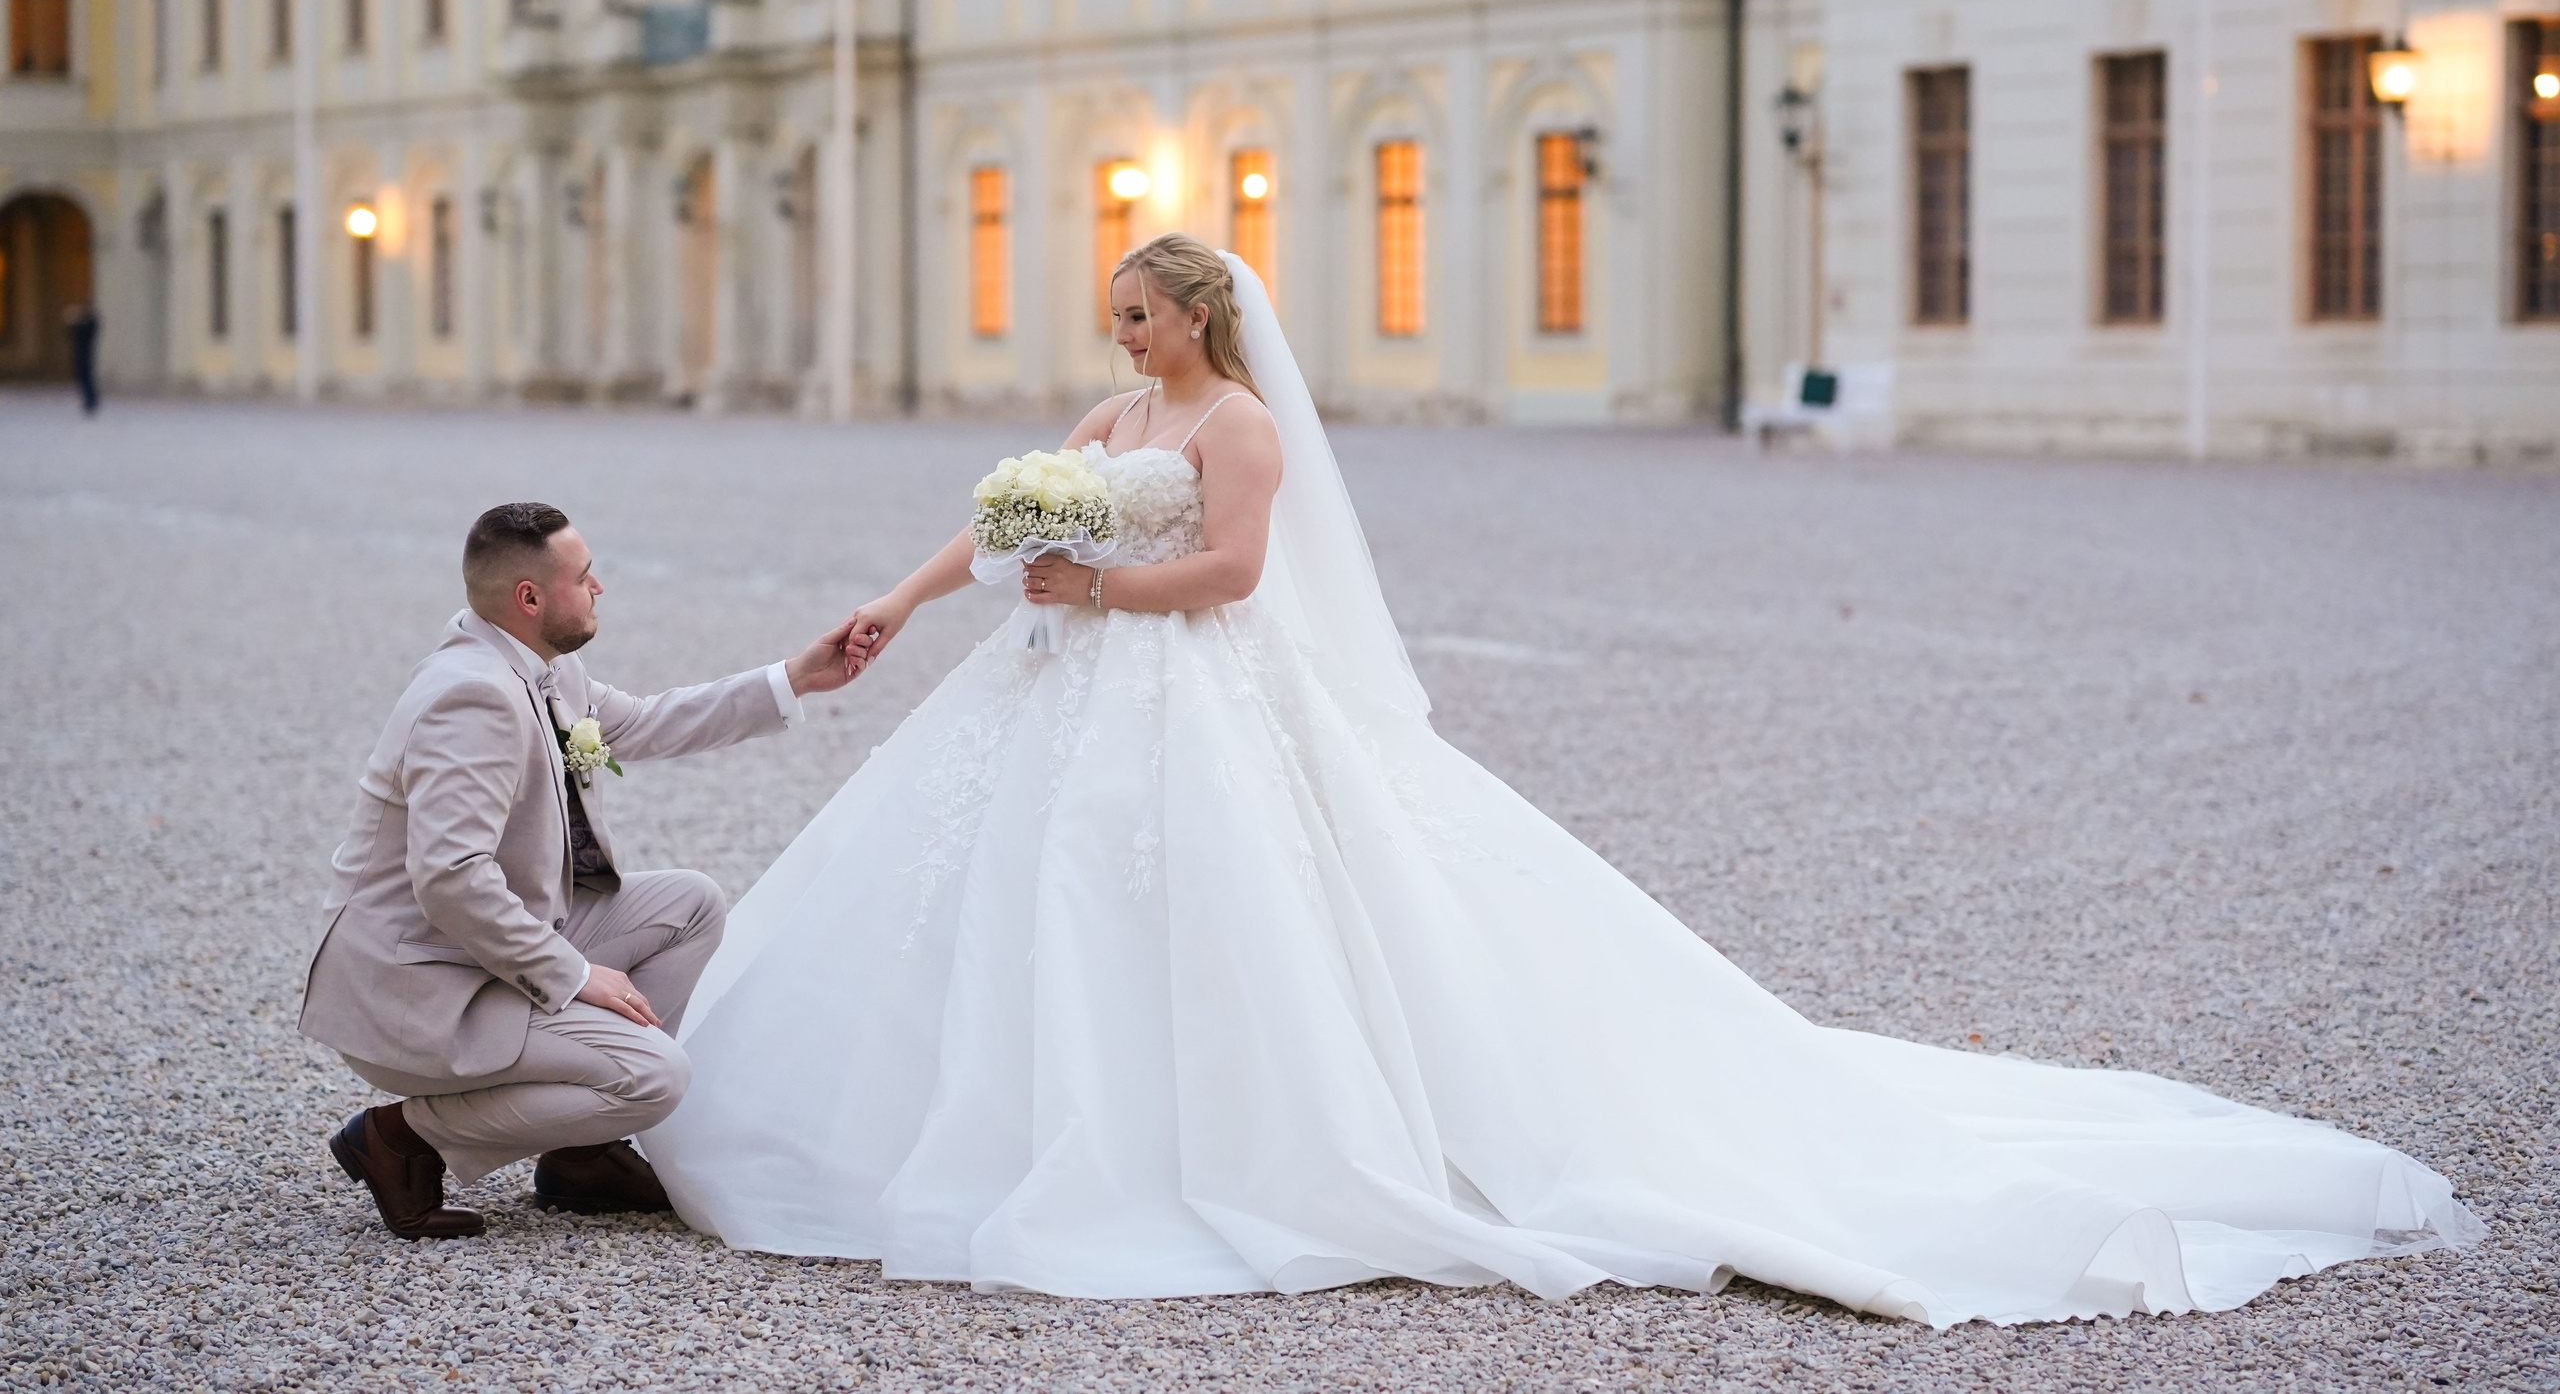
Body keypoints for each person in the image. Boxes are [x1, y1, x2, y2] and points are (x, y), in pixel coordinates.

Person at [644, 235, 2480, 1326]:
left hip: (1182, 679)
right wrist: (886, 609)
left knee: (1223, 906)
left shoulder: (1234, 426)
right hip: (1057, 688)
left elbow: (1236, 581)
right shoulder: (1108, 426)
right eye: (1110, 319)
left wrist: (1104, 584)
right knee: (1006, 902)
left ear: (1194, 319)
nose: (1111, 341)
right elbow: (993, 526)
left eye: (1133, 316)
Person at [301, 502, 869, 1240]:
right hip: (420, 987)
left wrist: (795, 678)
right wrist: (571, 972)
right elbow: (450, 878)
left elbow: (647, 721)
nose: (600, 587)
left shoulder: (545, 666)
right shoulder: (469, 697)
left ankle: (581, 1153)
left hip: (481, 950)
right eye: (585, 575)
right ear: (529, 599)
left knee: (689, 905)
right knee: (656, 1077)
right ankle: (403, 1137)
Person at [63, 301, 99, 414]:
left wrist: (73, 320)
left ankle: (90, 400)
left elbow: (77, 330)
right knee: (84, 378)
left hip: (85, 354)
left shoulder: (90, 323)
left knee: (86, 378)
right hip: (82, 353)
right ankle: (89, 400)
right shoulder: (89, 323)